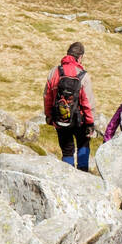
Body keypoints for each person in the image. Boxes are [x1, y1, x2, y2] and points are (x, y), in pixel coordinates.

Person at [44, 41, 97, 171]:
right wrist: (90, 123)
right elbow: (87, 103)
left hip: (60, 118)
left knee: (67, 150)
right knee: (83, 145)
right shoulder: (83, 75)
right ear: (80, 57)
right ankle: (83, 175)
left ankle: (67, 177)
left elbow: (47, 96)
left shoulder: (54, 72)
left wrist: (49, 116)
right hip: (80, 120)